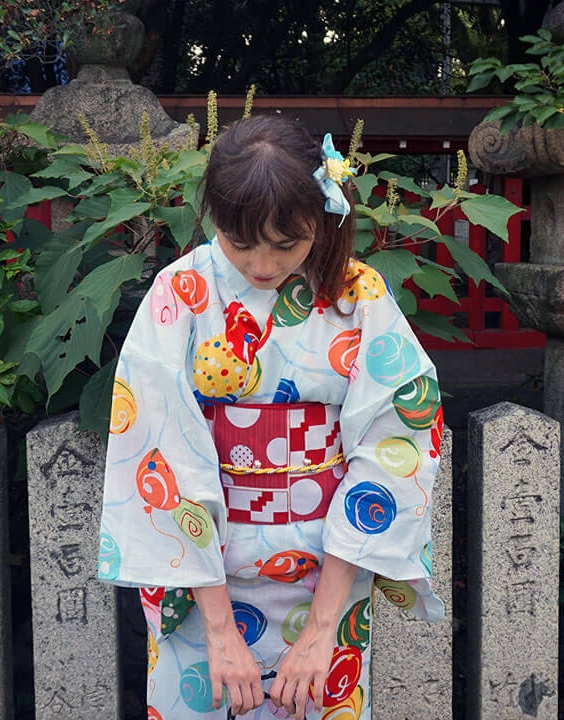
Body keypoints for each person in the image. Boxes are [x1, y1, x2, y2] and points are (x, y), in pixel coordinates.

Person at [97, 114, 444, 720]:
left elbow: (399, 444)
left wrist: (322, 629)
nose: (262, 265)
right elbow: (158, 451)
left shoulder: (356, 295)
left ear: (323, 215)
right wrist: (220, 630)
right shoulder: (180, 294)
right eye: (240, 242)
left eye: (287, 244)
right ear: (214, 220)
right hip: (203, 574)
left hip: (327, 570)